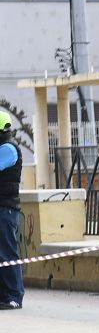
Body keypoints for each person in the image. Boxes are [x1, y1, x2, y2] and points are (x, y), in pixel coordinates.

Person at [0, 111, 23, 310]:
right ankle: (4, 296)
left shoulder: (8, 148)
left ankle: (14, 296)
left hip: (5, 208)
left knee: (7, 253)